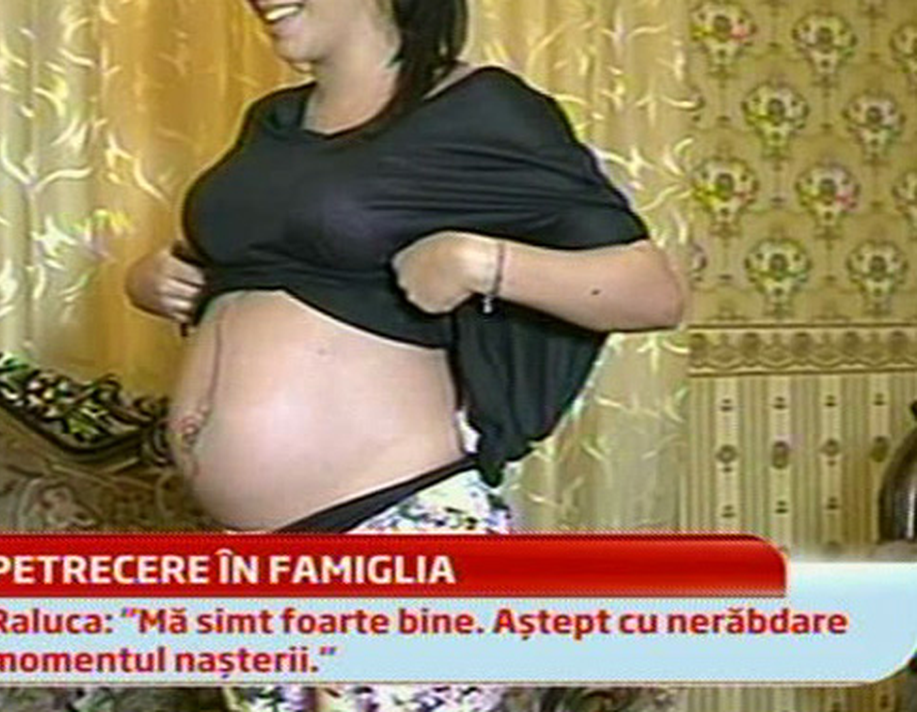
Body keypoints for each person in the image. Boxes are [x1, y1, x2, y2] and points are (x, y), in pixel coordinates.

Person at [124, 0, 685, 709]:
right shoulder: (272, 123)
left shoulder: (480, 107)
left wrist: (484, 263)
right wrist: (148, 280)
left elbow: (653, 292)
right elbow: (248, 264)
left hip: (396, 533)